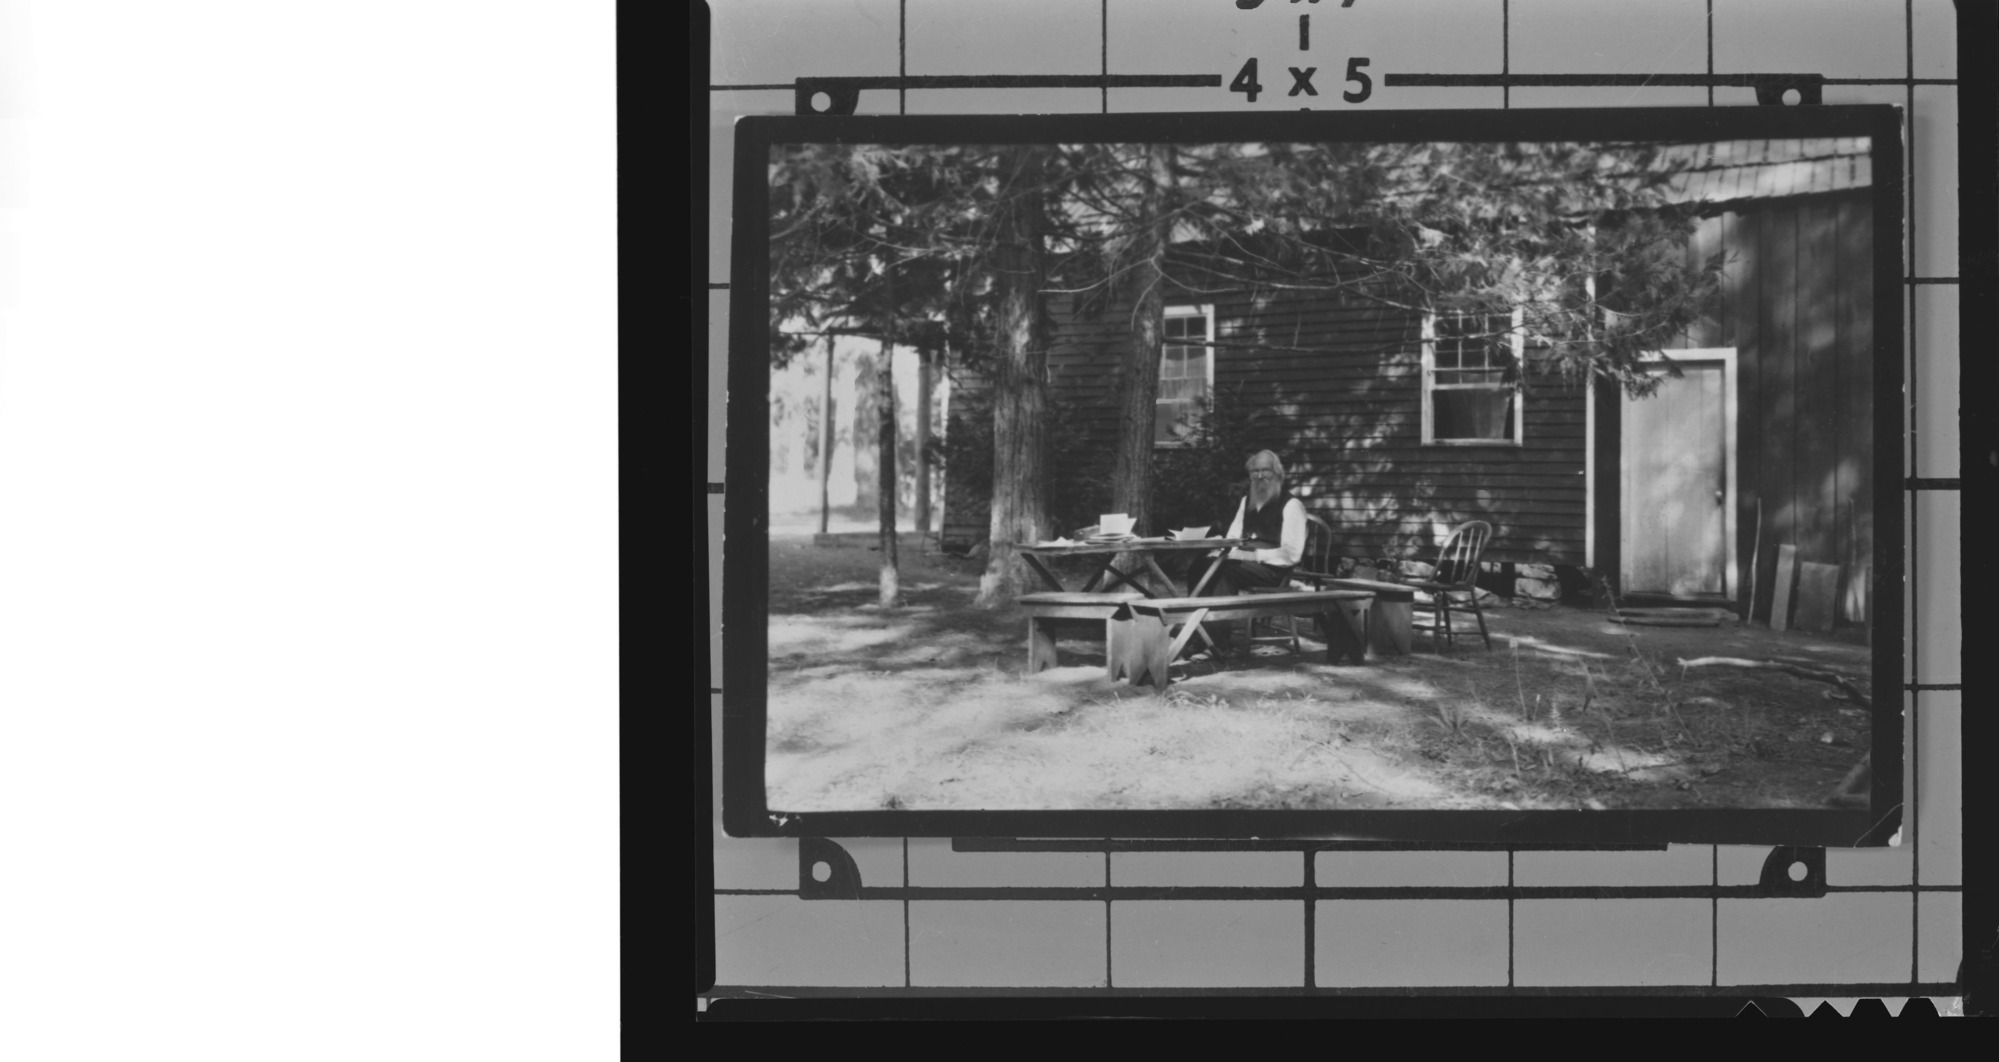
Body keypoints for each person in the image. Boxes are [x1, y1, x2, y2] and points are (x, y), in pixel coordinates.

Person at [1184, 450, 1309, 657]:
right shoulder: (1246, 502)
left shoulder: (1291, 505)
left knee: (1222, 571)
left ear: (1277, 473)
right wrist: (1220, 549)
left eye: (1265, 471)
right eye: (1255, 471)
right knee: (1202, 564)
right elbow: (1233, 537)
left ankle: (1219, 645)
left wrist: (1251, 556)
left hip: (1273, 570)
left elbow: (1292, 554)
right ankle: (1198, 637)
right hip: (1244, 563)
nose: (1259, 476)